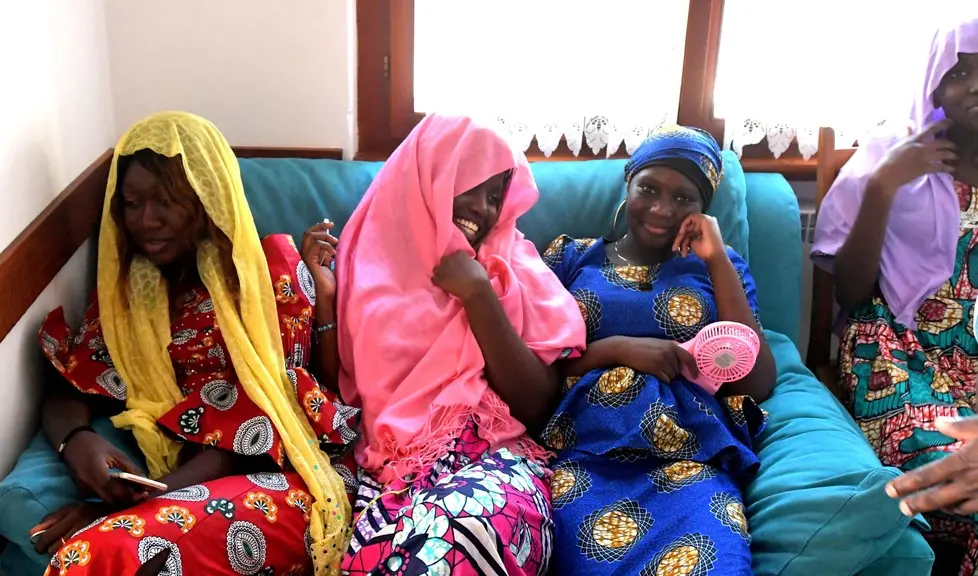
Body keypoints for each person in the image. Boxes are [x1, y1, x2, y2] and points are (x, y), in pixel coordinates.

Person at [31, 112, 357, 576]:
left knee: (103, 556)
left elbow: (259, 428)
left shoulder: (270, 273)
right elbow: (72, 383)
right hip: (177, 488)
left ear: (206, 196)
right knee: (103, 555)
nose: (146, 220)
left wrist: (124, 513)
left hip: (285, 479)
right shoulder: (128, 298)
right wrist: (75, 441)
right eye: (132, 202)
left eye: (166, 201)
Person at [333, 114, 587, 575]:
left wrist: (479, 295)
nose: (483, 209)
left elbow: (539, 404)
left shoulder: (511, 265)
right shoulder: (363, 260)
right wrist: (324, 292)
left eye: (495, 196)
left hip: (495, 462)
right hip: (388, 470)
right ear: (428, 176)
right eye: (468, 185)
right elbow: (336, 394)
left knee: (457, 538)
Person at [540, 125, 775, 575]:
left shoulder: (719, 267)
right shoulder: (570, 258)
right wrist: (616, 349)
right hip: (583, 451)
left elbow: (758, 380)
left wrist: (717, 259)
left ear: (703, 209)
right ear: (627, 184)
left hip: (691, 459)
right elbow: (536, 364)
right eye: (648, 188)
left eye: (684, 198)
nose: (662, 209)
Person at [811, 17, 978, 572]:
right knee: (957, 472)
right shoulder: (888, 153)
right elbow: (854, 294)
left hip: (973, 353)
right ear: (933, 81)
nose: (975, 84)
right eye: (960, 71)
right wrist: (885, 183)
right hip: (894, 347)